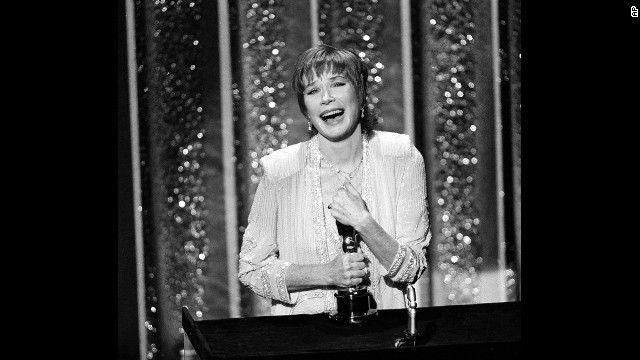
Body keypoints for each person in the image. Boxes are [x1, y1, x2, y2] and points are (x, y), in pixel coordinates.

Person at [238, 44, 431, 315]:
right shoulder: (280, 170)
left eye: (338, 84)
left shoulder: (400, 156)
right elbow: (252, 270)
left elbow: (411, 269)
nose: (326, 98)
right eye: (313, 90)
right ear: (306, 109)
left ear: (360, 94)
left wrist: (365, 223)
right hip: (306, 341)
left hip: (383, 336)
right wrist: (325, 274)